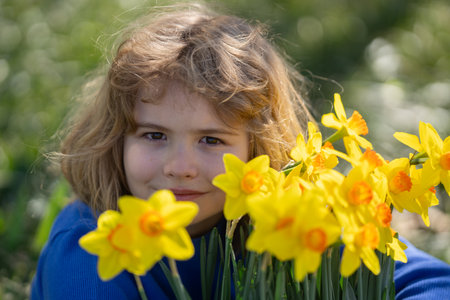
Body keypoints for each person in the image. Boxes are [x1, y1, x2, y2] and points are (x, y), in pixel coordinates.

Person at [31, 2, 450, 299]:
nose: (180, 168)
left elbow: (432, 283)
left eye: (211, 140)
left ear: (259, 148)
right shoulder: (92, 247)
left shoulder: (299, 213)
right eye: (154, 135)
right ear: (115, 138)